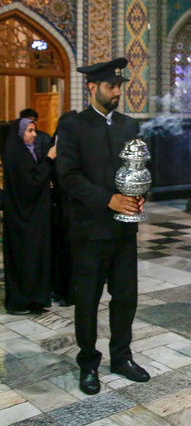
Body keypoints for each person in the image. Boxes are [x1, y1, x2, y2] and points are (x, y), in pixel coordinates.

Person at [56, 57, 150, 395]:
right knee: (88, 300)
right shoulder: (72, 126)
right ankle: (88, 363)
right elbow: (67, 176)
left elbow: (140, 171)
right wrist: (108, 200)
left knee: (125, 298)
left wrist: (140, 196)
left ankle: (122, 358)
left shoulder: (128, 125)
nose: (116, 93)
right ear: (92, 87)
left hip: (124, 231)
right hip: (90, 232)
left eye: (119, 87)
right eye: (111, 87)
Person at [2, 118, 56, 315]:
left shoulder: (25, 152)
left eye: (34, 130)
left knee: (34, 258)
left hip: (31, 217)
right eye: (30, 131)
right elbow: (31, 183)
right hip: (22, 219)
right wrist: (49, 159)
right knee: (25, 259)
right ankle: (20, 301)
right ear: (20, 134)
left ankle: (33, 299)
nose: (34, 134)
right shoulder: (16, 154)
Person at [51, 111, 78, 307]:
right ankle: (67, 292)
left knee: (64, 251)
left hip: (62, 206)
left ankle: (63, 290)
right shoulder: (67, 145)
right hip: (68, 207)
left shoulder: (60, 142)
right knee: (68, 252)